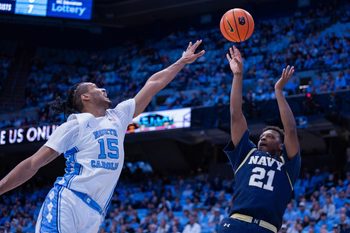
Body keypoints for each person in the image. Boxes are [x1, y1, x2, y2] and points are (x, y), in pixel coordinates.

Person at [0, 40, 205, 233]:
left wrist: (181, 61)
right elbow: (33, 163)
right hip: (67, 202)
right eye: (96, 87)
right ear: (85, 97)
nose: (103, 88)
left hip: (95, 213)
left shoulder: (118, 116)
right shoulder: (75, 124)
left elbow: (153, 84)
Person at [218, 46, 301, 233]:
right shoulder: (245, 153)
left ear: (281, 145)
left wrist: (278, 91)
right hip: (236, 223)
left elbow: (291, 130)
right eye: (262, 137)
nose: (262, 139)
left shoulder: (288, 164)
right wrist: (238, 76)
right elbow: (236, 114)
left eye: (269, 137)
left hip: (266, 228)